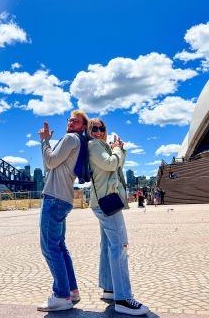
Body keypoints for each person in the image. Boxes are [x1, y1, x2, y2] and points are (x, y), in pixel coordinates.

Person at [87, 117, 149, 316]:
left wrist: (118, 149)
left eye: (101, 128)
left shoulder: (102, 146)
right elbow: (111, 164)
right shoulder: (94, 146)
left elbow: (116, 166)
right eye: (93, 128)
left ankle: (110, 289)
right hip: (107, 202)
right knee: (120, 246)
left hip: (103, 201)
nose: (98, 131)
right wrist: (117, 150)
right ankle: (123, 298)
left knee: (107, 246)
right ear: (89, 131)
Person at [36, 110, 89, 312]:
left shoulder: (69, 138)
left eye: (75, 121)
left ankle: (61, 295)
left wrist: (44, 141)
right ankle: (72, 291)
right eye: (69, 120)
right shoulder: (78, 142)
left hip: (54, 198)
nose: (70, 122)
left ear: (83, 127)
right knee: (59, 247)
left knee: (49, 247)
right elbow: (50, 165)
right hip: (63, 198)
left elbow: (49, 162)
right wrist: (48, 143)